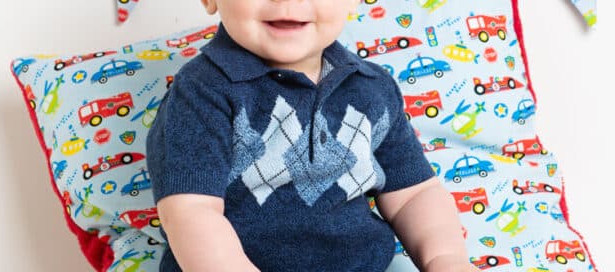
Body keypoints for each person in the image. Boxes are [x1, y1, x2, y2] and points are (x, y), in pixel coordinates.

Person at [146, 0, 478, 271]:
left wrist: (445, 259)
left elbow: (412, 194)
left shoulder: (372, 87)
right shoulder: (202, 93)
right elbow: (191, 213)